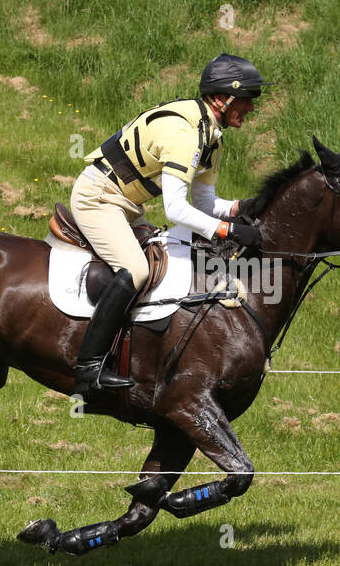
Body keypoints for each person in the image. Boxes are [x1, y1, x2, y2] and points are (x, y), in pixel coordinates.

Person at [68, 53, 270, 397]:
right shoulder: (187, 134)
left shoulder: (212, 136)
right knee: (136, 270)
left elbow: (205, 203)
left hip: (127, 205)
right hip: (98, 197)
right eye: (248, 100)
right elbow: (176, 208)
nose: (252, 108)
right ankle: (88, 368)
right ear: (222, 99)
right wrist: (228, 231)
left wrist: (245, 208)